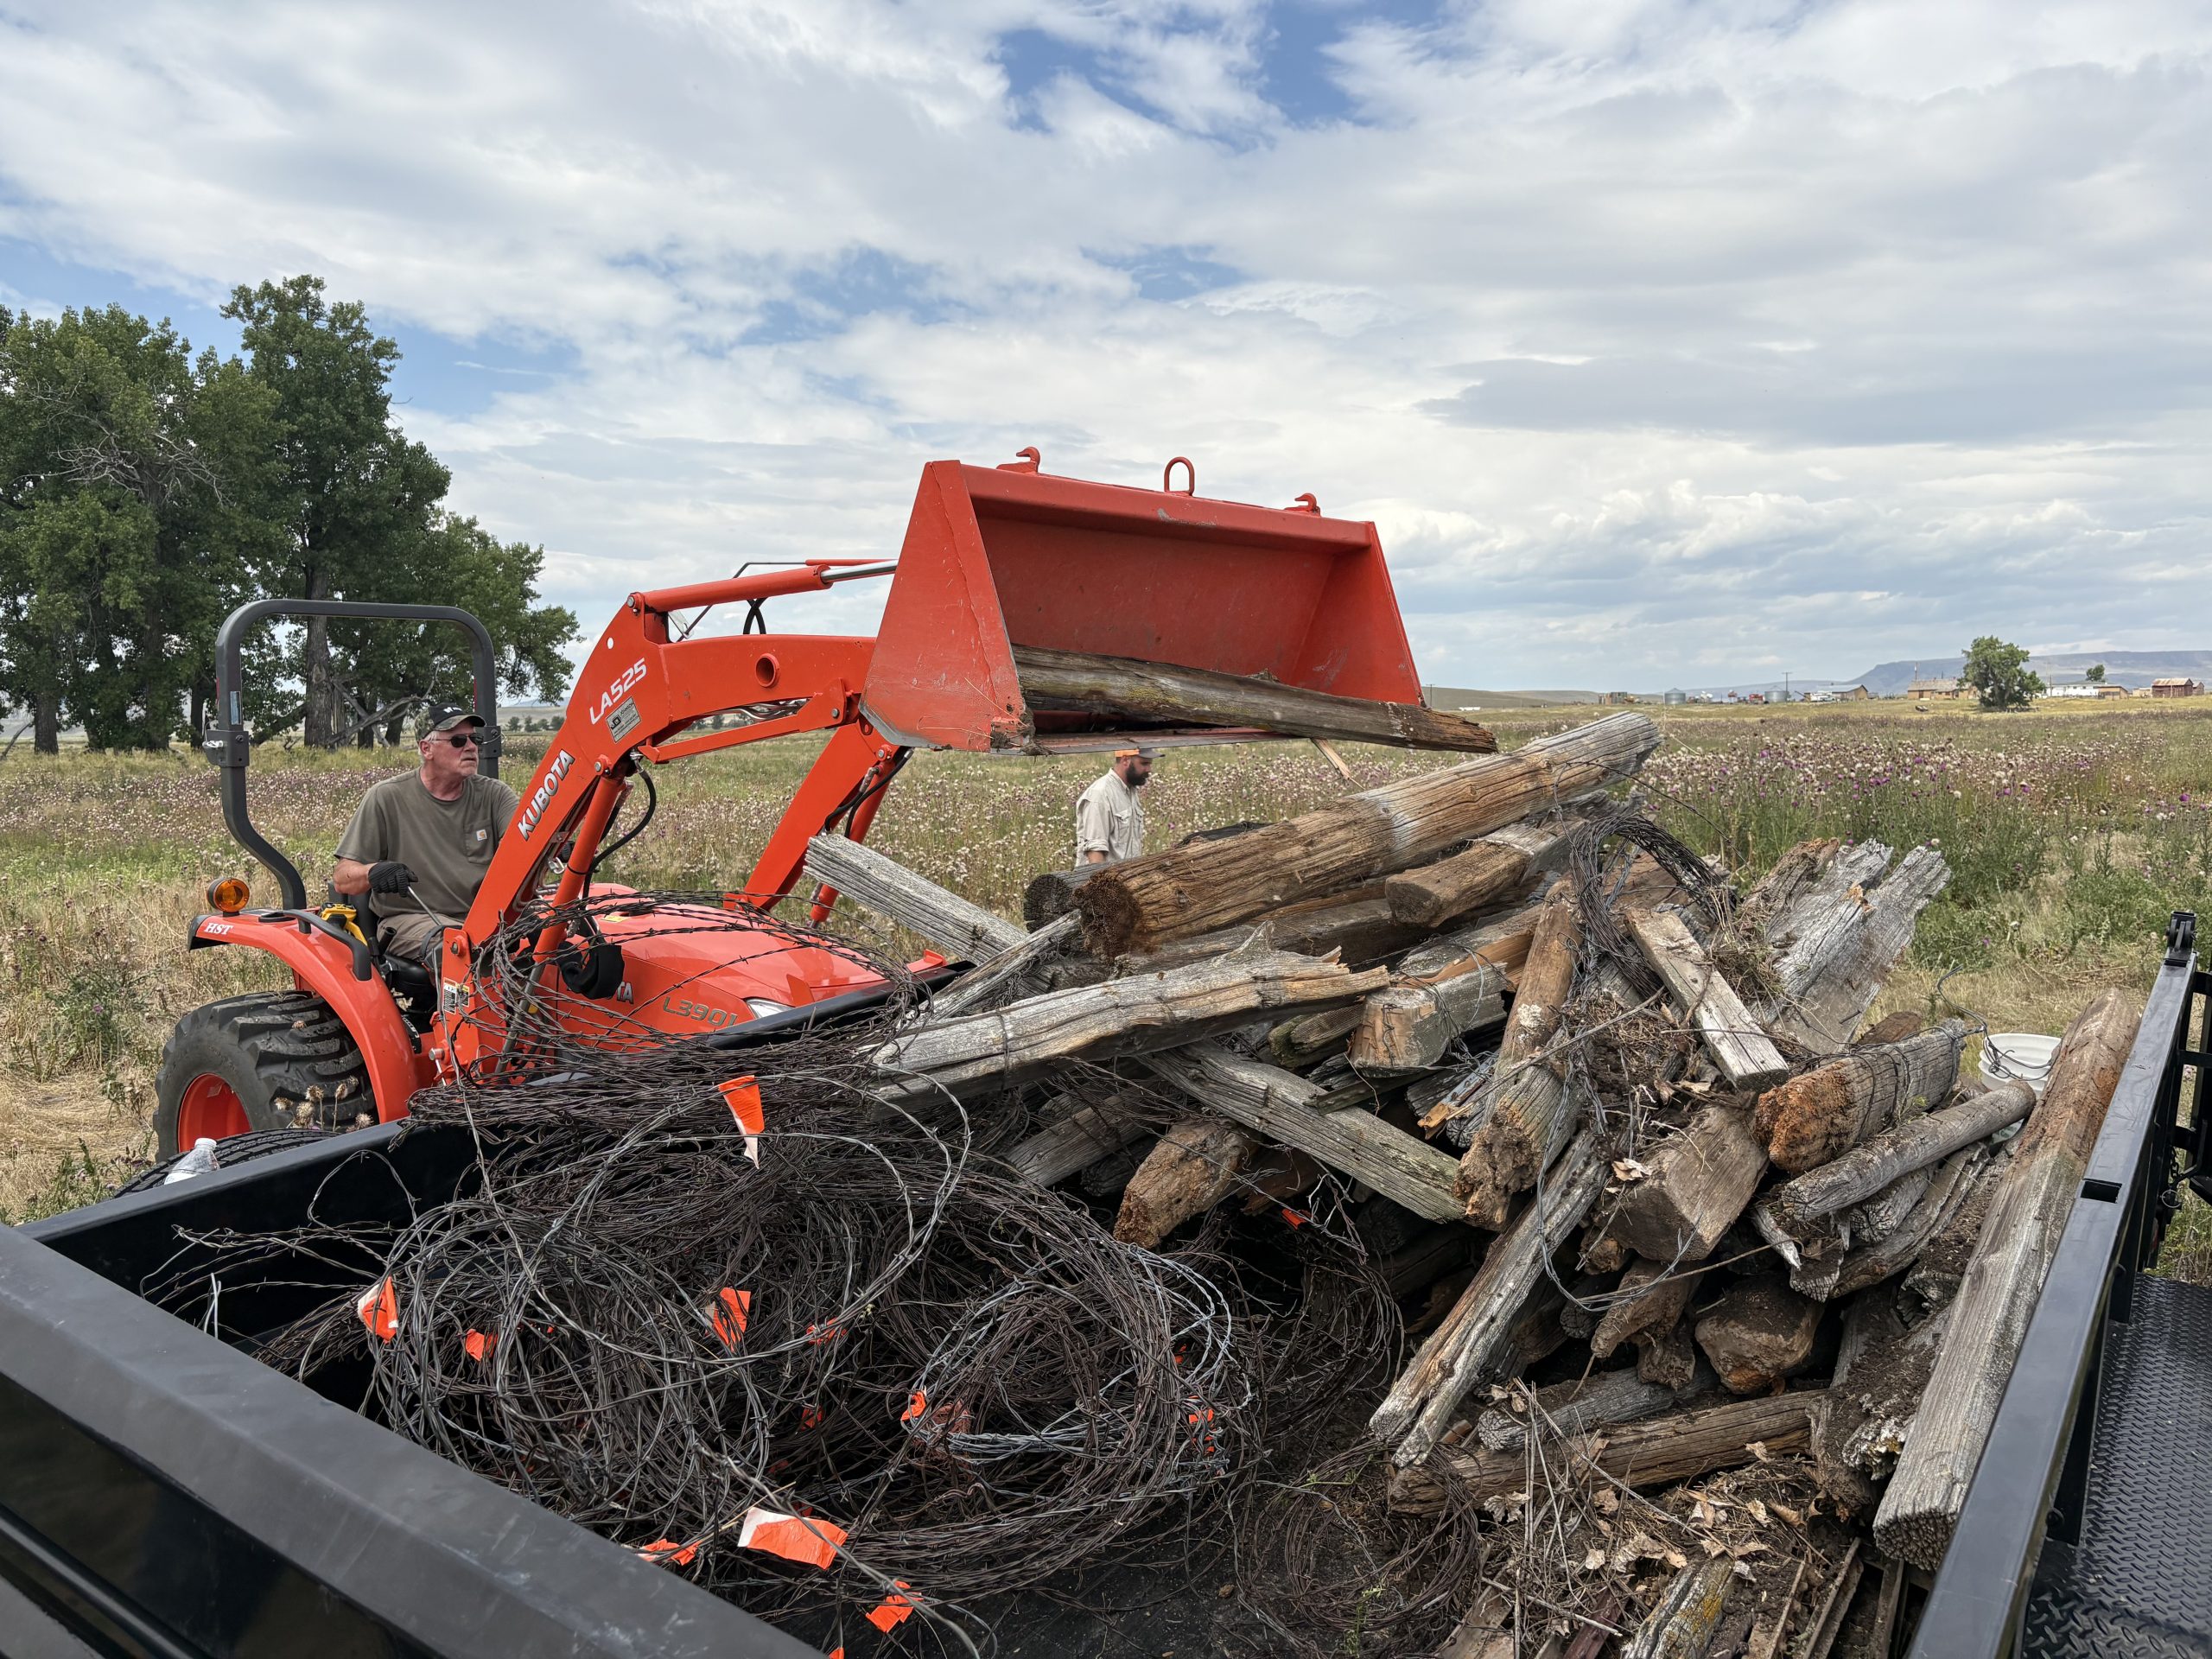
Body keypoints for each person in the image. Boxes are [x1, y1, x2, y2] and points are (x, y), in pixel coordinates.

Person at [333, 703, 518, 969]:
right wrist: (374, 872)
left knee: (555, 935)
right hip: (413, 918)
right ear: (426, 749)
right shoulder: (387, 797)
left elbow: (526, 842)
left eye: (474, 739)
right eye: (457, 740)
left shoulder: (495, 795)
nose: (471, 747)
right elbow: (342, 878)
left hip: (485, 916)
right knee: (458, 948)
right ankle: (462, 1012)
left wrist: (556, 847)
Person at [1074, 747, 1155, 865]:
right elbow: (1095, 853)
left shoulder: (1131, 791)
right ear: (1125, 760)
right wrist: (1102, 884)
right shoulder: (1100, 794)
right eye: (1144, 763)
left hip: (1126, 879)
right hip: (1105, 881)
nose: (1149, 769)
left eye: (1150, 764)